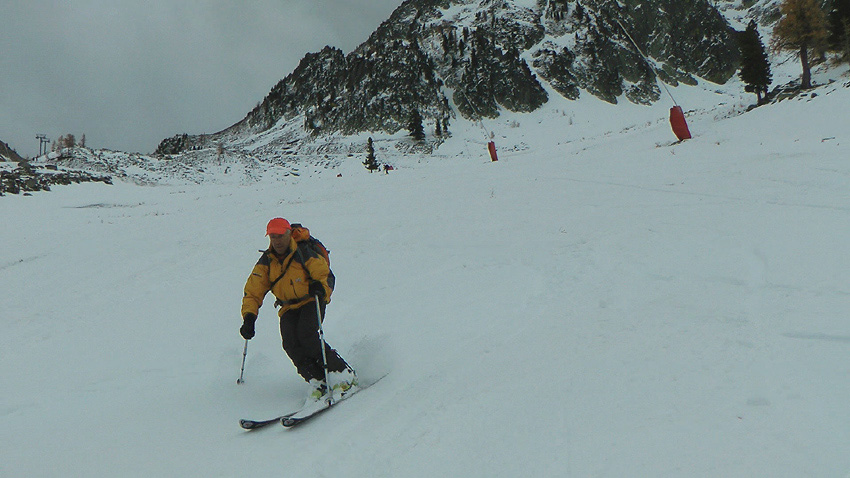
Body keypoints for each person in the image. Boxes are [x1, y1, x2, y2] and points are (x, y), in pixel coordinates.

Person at [240, 217, 356, 402]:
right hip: (288, 306)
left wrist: (320, 288)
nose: (276, 241)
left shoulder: (304, 252)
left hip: (312, 299)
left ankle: (342, 374)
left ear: (288, 234)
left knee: (307, 335)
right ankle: (317, 380)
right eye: (272, 237)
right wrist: (249, 317)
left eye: (280, 235)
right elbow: (253, 291)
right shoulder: (266, 261)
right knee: (290, 343)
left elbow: (322, 273)